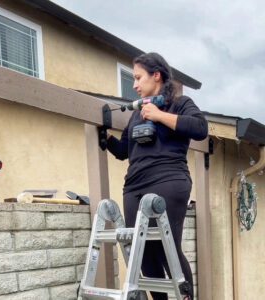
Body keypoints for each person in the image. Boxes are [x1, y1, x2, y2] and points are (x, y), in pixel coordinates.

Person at [106, 52, 208, 300]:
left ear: (156, 75)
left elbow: (200, 128)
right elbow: (124, 151)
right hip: (134, 186)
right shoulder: (136, 113)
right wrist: (105, 137)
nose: (135, 85)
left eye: (138, 78)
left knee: (167, 248)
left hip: (169, 180)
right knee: (144, 254)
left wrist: (159, 115)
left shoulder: (181, 103)